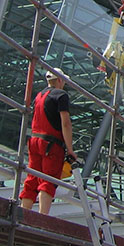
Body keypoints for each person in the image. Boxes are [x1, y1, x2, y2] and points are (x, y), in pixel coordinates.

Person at [19, 67, 77, 215]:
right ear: (59, 80)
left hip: (34, 141)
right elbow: (66, 123)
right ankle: (42, 216)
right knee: (48, 179)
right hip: (51, 144)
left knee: (32, 179)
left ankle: (23, 213)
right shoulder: (61, 95)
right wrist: (70, 149)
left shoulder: (39, 96)